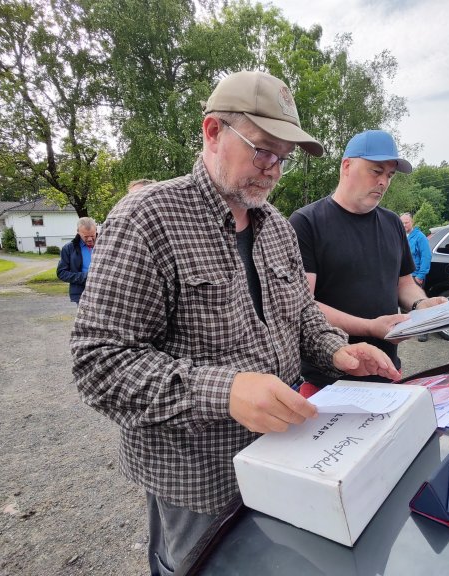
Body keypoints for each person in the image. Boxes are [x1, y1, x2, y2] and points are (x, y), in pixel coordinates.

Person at [70, 71, 400, 576]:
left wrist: (337, 351)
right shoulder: (148, 218)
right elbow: (100, 364)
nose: (272, 170)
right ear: (212, 131)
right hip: (197, 481)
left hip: (286, 458)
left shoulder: (277, 229)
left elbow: (301, 313)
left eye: (283, 158)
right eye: (262, 149)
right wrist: (224, 391)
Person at [289, 130, 447, 392]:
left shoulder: (392, 222)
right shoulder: (306, 222)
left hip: (387, 371)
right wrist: (370, 328)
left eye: (389, 175)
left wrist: (421, 304)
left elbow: (403, 284)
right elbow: (303, 305)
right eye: (376, 171)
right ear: (347, 166)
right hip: (328, 378)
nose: (384, 181)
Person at [400, 212, 433, 341]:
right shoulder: (400, 236)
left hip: (415, 275)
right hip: (401, 276)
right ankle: (408, 328)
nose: (403, 225)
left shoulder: (420, 237)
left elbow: (426, 257)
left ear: (412, 222)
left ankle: (423, 331)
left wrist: (421, 275)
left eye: (406, 222)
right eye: (401, 222)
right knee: (404, 304)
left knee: (419, 304)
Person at [56, 217, 97, 304]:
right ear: (78, 232)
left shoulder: (105, 245)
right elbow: (62, 273)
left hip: (104, 291)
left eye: (92, 235)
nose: (90, 239)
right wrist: (85, 277)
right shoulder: (68, 248)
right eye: (86, 236)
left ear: (96, 230)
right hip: (82, 294)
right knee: (85, 318)